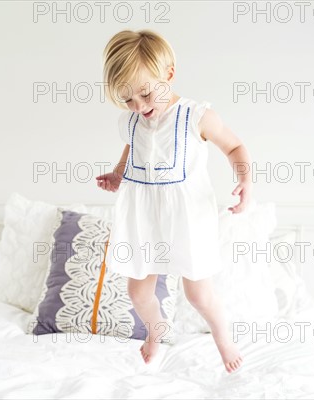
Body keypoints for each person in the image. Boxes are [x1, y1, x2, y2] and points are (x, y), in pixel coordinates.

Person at [96, 29, 252, 373]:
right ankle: (158, 329)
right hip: (146, 219)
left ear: (168, 74)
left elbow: (235, 146)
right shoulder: (133, 121)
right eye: (128, 100)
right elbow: (132, 147)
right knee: (137, 292)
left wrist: (244, 179)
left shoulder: (196, 116)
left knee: (198, 294)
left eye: (146, 94)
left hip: (187, 219)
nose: (139, 106)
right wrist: (118, 173)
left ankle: (223, 337)